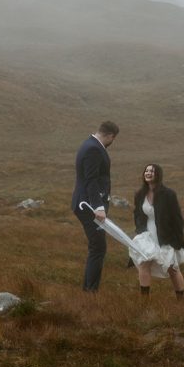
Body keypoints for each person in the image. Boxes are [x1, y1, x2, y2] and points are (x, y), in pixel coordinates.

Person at [71, 121, 119, 292]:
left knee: (97, 247)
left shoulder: (90, 144)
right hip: (88, 206)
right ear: (110, 135)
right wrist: (98, 207)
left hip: (87, 204)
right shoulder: (94, 149)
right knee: (98, 248)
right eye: (113, 139)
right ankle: (90, 292)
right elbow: (91, 180)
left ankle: (88, 289)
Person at [130, 163, 184, 299]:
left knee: (172, 268)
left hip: (165, 235)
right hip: (147, 235)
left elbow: (177, 218)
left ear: (158, 174)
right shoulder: (140, 194)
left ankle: (180, 299)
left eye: (152, 171)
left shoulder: (168, 194)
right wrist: (140, 229)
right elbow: (137, 214)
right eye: (146, 171)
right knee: (144, 264)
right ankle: (144, 300)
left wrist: (178, 240)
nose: (148, 173)